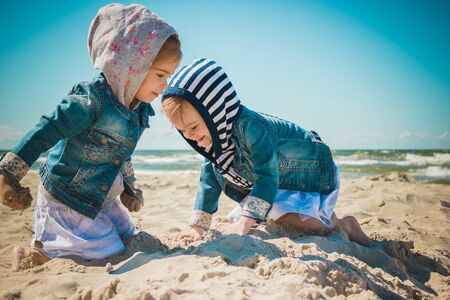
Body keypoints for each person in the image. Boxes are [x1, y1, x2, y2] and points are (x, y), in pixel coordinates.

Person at [0, 3, 181, 271]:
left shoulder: (140, 110)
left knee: (125, 237)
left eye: (169, 76)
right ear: (131, 66)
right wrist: (8, 173)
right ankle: (39, 255)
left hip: (102, 195)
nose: (165, 84)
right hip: (67, 196)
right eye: (160, 75)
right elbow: (47, 130)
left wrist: (129, 189)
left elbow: (122, 154)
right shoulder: (91, 100)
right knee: (104, 251)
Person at [161, 58, 371, 246]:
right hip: (280, 176)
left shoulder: (253, 127)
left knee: (287, 216)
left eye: (194, 127)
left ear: (215, 111)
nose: (189, 135)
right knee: (279, 214)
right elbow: (209, 181)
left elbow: (267, 176)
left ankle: (344, 225)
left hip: (307, 167)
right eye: (182, 131)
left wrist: (245, 222)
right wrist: (198, 226)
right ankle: (332, 221)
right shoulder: (215, 142)